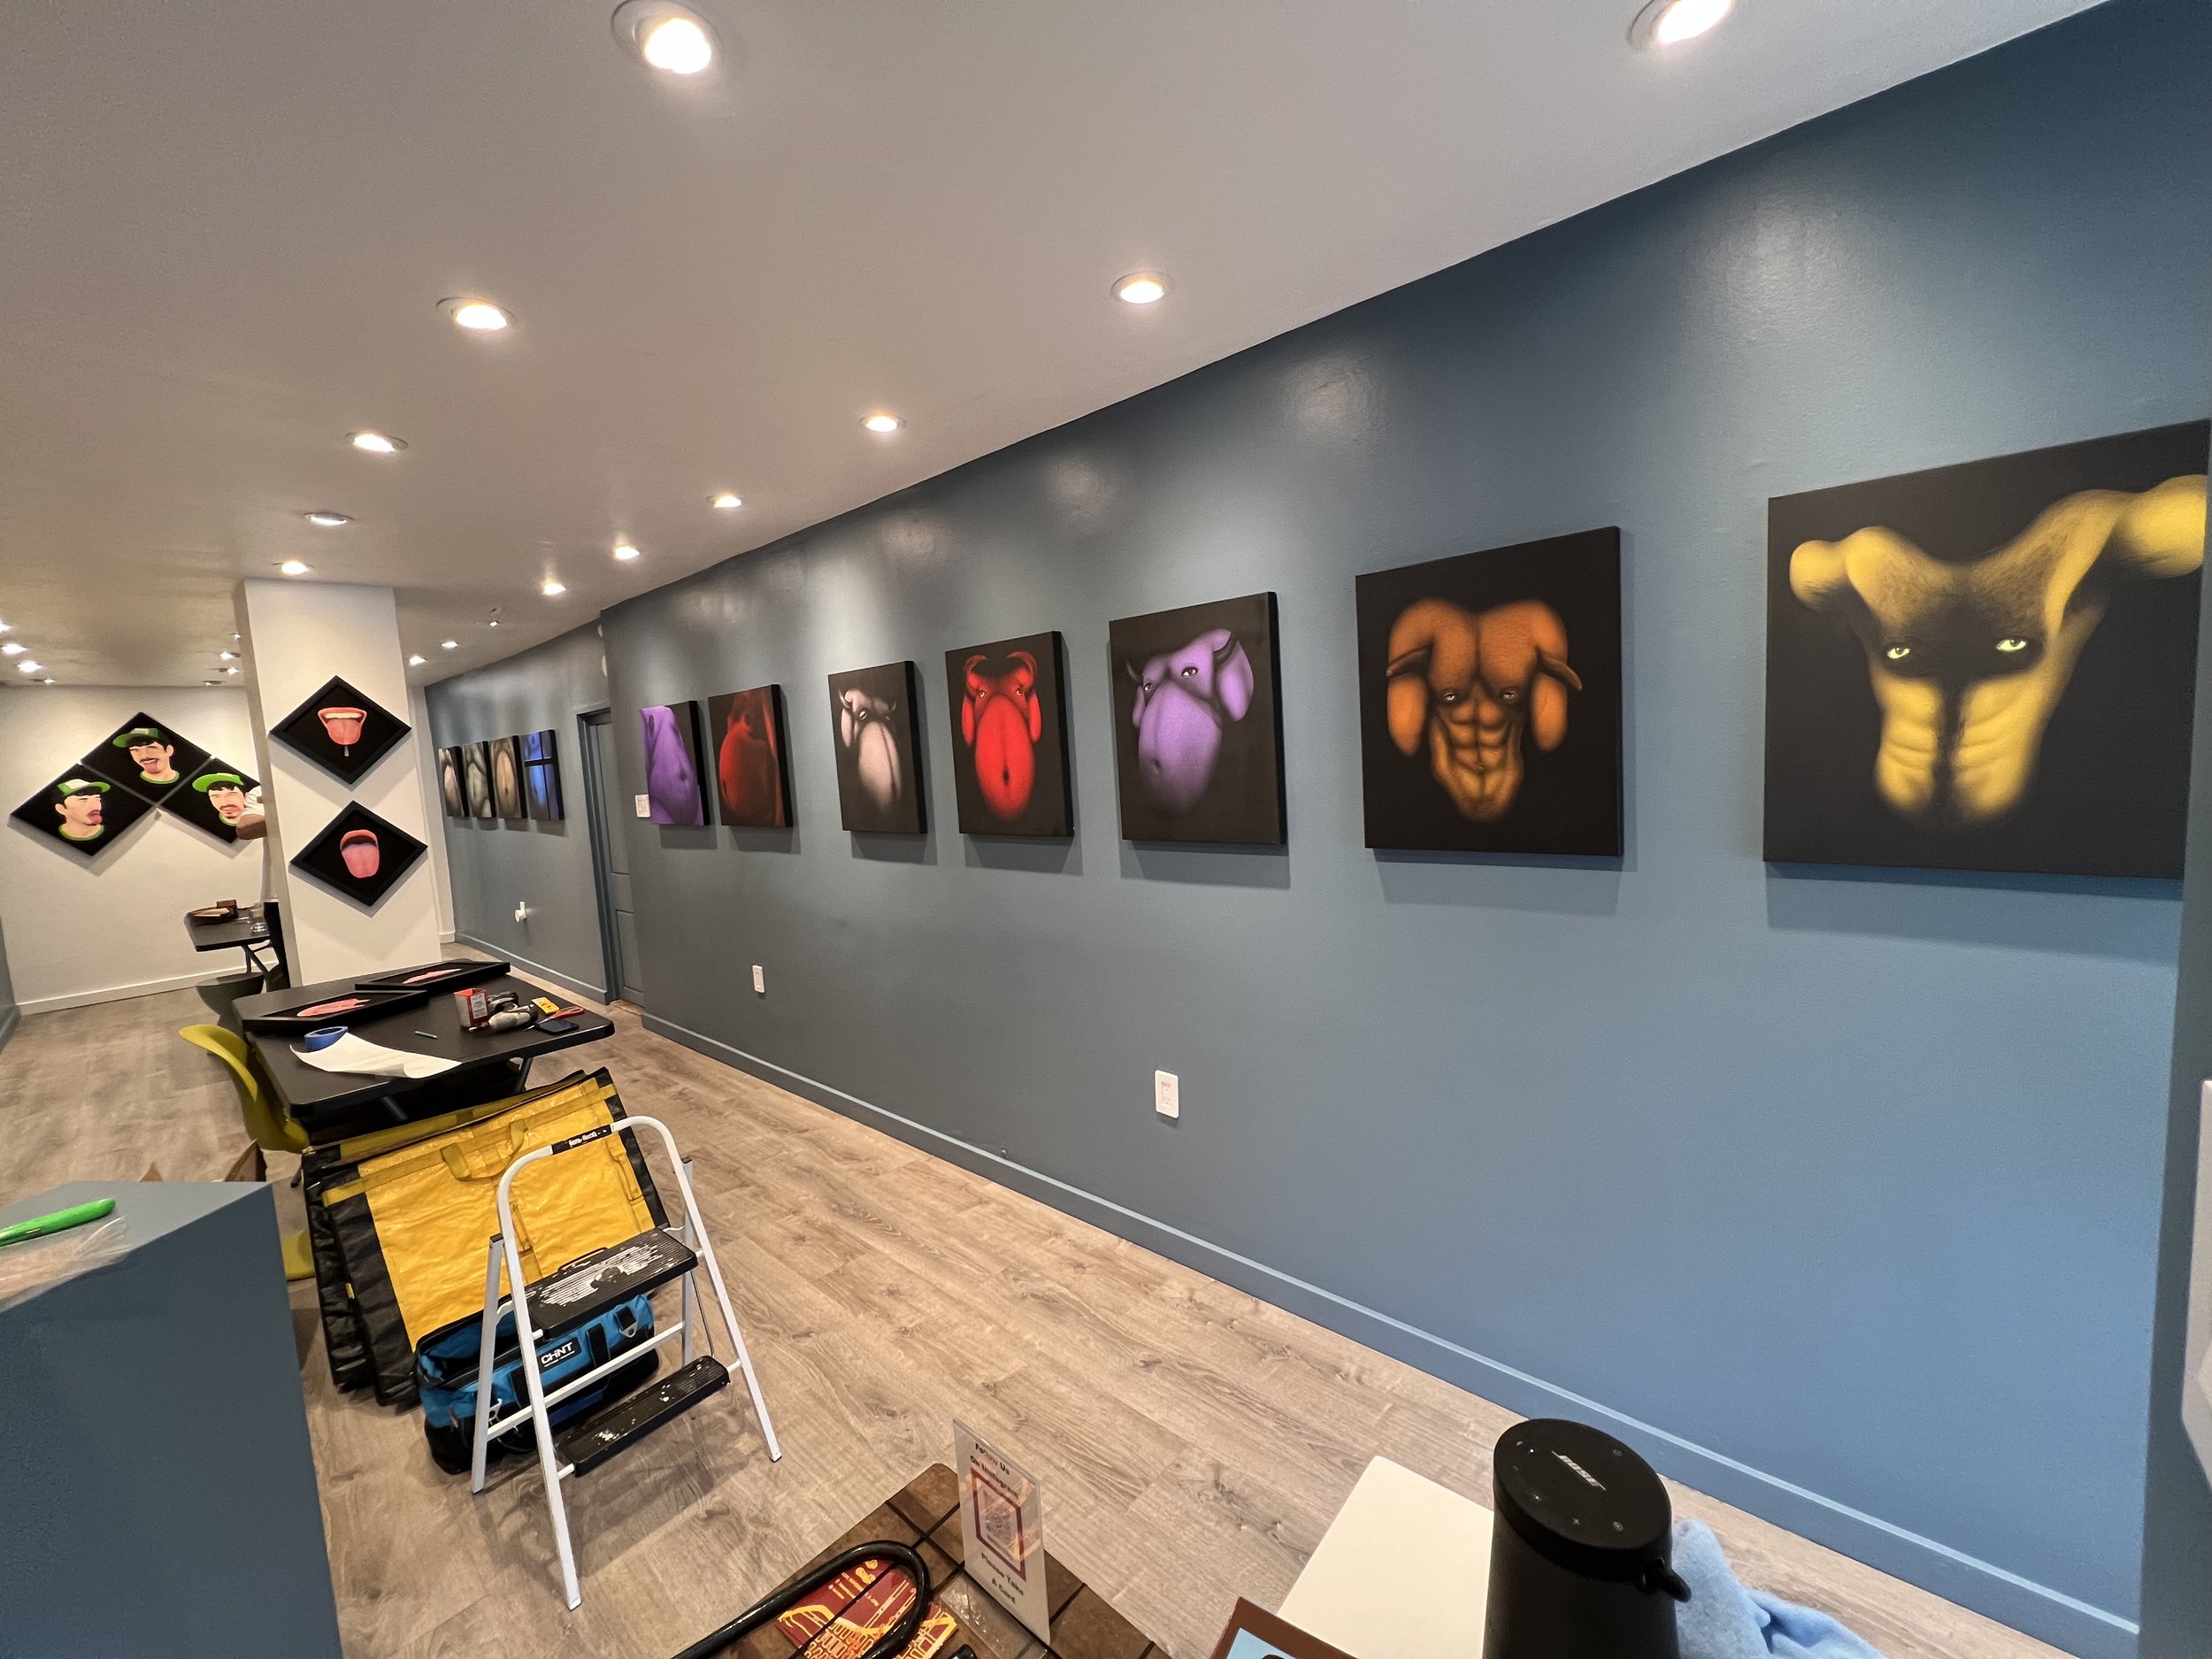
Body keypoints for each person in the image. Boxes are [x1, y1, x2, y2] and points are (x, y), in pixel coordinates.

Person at [193, 771, 263, 835]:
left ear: (246, 795)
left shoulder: (259, 795)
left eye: (231, 794)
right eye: (216, 796)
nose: (224, 802)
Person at [111, 724, 180, 786]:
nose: (144, 756)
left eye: (151, 748)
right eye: (135, 750)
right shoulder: (128, 785)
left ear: (169, 750)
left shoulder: (184, 780)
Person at [52, 777, 110, 841]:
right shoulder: (52, 836)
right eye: (84, 800)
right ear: (61, 809)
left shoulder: (110, 832)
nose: (95, 806)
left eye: (97, 799)